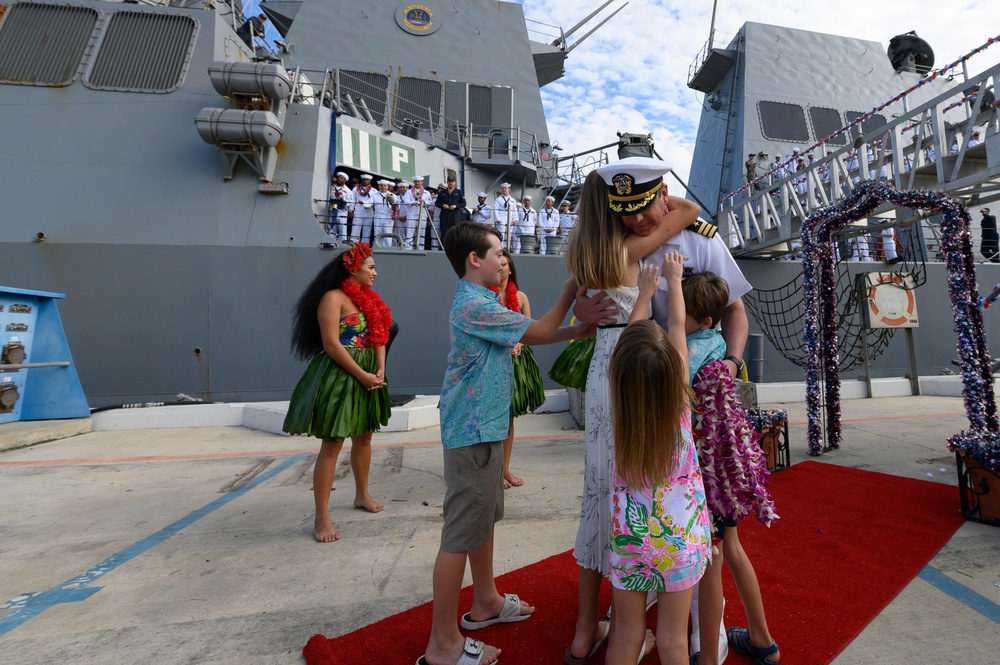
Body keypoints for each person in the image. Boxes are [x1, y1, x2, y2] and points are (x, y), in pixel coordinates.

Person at [419, 222, 593, 665]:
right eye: (498, 252)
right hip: (472, 433)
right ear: (474, 259)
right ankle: (442, 644)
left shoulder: (483, 302)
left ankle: (486, 603)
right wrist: (572, 289)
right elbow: (536, 331)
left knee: (482, 521)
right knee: (459, 534)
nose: (504, 260)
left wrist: (578, 332)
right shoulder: (474, 304)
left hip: (487, 428)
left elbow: (533, 333)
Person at [563, 158, 701, 664]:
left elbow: (573, 311)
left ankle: (584, 631)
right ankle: (634, 613)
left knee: (600, 492)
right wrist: (659, 194)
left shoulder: (585, 252)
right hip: (639, 358)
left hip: (608, 366)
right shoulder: (629, 249)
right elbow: (688, 210)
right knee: (642, 475)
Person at [605, 256, 711, 665]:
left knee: (626, 637)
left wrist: (645, 293)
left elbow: (629, 351)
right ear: (672, 370)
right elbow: (678, 327)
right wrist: (673, 281)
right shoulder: (680, 401)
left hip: (630, 540)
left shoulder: (622, 411)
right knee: (673, 642)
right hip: (679, 542)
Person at [680, 273, 779, 665]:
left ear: (704, 320)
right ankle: (763, 640)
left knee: (712, 558)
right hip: (724, 466)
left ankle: (707, 657)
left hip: (704, 470)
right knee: (733, 550)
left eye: (682, 311)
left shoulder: (692, 350)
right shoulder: (721, 347)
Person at [282, 243, 392, 542]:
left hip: (370, 373)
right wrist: (362, 374)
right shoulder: (332, 299)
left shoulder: (370, 299)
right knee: (332, 444)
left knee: (364, 437)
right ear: (353, 268)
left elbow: (380, 335)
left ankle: (362, 494)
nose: (375, 273)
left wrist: (380, 369)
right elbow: (332, 344)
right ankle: (321, 518)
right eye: (370, 267)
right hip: (342, 375)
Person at [489, 250, 545, 489]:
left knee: (509, 419)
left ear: (511, 270)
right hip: (493, 363)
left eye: (505, 265)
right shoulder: (486, 298)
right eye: (498, 264)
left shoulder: (520, 297)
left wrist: (520, 342)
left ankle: (505, 469)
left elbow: (530, 329)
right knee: (495, 418)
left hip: (516, 363)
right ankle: (492, 473)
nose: (501, 268)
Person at [402, 176, 432, 251]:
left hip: (422, 214)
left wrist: (424, 202)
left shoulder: (426, 192)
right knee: (409, 232)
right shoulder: (409, 192)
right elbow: (406, 201)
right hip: (412, 214)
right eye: (416, 181)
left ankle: (420, 248)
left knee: (421, 233)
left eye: (419, 181)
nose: (417, 183)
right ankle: (408, 248)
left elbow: (430, 202)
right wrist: (413, 203)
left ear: (422, 182)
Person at [436, 176, 466, 243]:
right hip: (445, 214)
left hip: (455, 214)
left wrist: (456, 206)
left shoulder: (459, 192)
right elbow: (437, 203)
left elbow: (463, 203)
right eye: (449, 181)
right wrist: (443, 205)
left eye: (452, 181)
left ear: (454, 182)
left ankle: (454, 250)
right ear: (447, 182)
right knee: (444, 233)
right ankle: (444, 249)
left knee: (455, 232)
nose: (451, 183)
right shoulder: (442, 192)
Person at [328, 171, 354, 243]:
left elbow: (350, 202)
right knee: (332, 228)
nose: (339, 179)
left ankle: (342, 244)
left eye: (342, 178)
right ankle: (331, 243)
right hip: (333, 210)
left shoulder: (348, 191)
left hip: (342, 211)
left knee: (342, 229)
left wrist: (343, 201)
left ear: (345, 180)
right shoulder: (332, 187)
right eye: (339, 177)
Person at [372, 179, 396, 247]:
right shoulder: (374, 195)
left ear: (387, 187)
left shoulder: (393, 195)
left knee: (387, 233)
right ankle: (377, 247)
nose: (383, 187)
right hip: (378, 216)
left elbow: (397, 206)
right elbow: (369, 202)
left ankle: (387, 248)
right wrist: (363, 203)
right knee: (377, 233)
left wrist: (394, 205)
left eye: (385, 185)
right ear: (379, 186)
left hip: (388, 217)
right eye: (381, 185)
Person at [494, 183, 518, 250]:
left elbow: (514, 211)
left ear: (509, 189)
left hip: (510, 219)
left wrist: (515, 219)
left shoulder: (513, 200)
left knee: (508, 235)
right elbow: (496, 210)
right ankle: (500, 248)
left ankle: (507, 248)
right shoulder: (498, 199)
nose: (504, 189)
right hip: (501, 218)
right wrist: (498, 219)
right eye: (503, 188)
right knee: (501, 235)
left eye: (505, 188)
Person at [352, 174, 375, 244]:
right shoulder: (355, 189)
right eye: (364, 180)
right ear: (362, 180)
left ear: (370, 181)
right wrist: (351, 210)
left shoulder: (374, 191)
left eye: (367, 180)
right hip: (358, 211)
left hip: (369, 212)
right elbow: (352, 200)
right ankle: (353, 246)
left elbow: (374, 203)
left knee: (367, 231)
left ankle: (364, 248)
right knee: (355, 230)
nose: (365, 181)